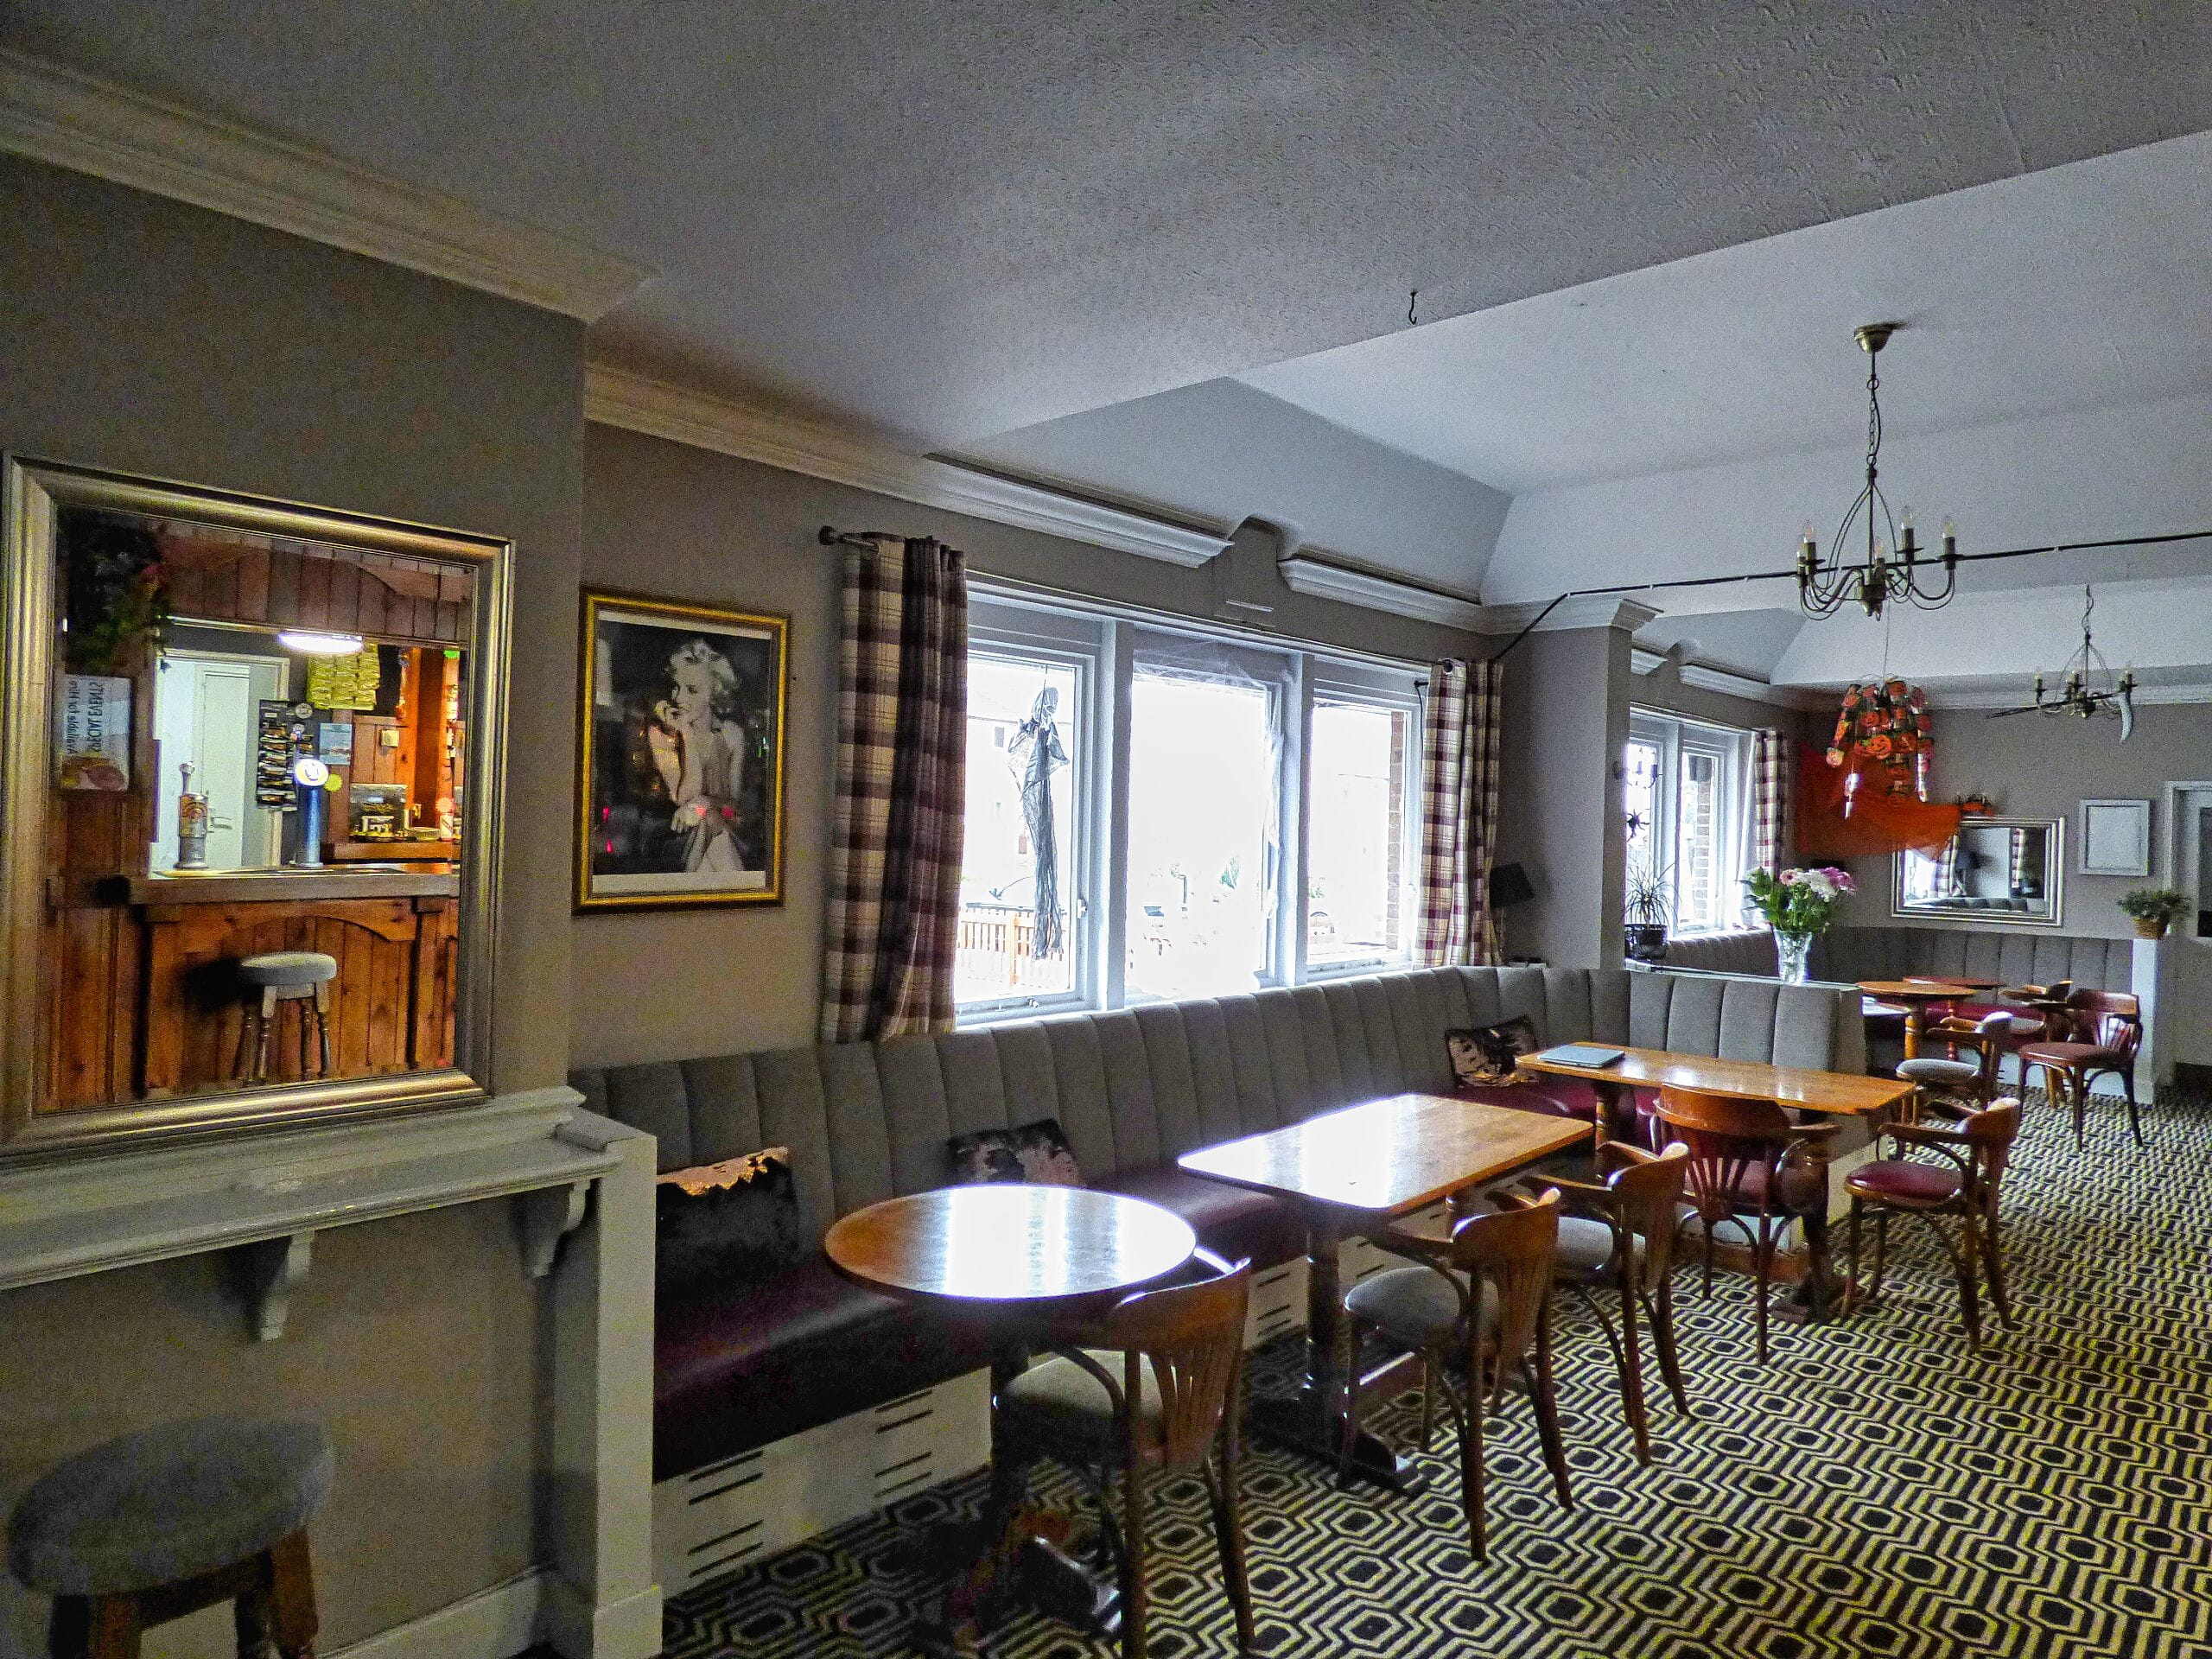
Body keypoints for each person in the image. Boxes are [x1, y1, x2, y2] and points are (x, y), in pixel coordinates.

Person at [645, 639, 747, 874]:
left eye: (692, 690)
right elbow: (686, 798)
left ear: (714, 693)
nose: (679, 698)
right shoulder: (661, 735)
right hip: (676, 835)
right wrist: (688, 735)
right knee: (706, 820)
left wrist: (706, 804)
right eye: (676, 686)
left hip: (725, 824)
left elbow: (735, 809)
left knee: (709, 818)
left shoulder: (731, 735)